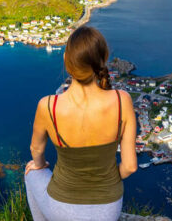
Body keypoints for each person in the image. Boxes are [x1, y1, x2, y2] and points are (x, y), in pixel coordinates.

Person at [24, 26, 138, 221]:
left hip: (61, 209)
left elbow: (36, 149)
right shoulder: (122, 100)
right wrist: (106, 182)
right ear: (103, 60)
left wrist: (40, 165)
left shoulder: (48, 106)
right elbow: (129, 167)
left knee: (31, 171)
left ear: (66, 60)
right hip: (108, 211)